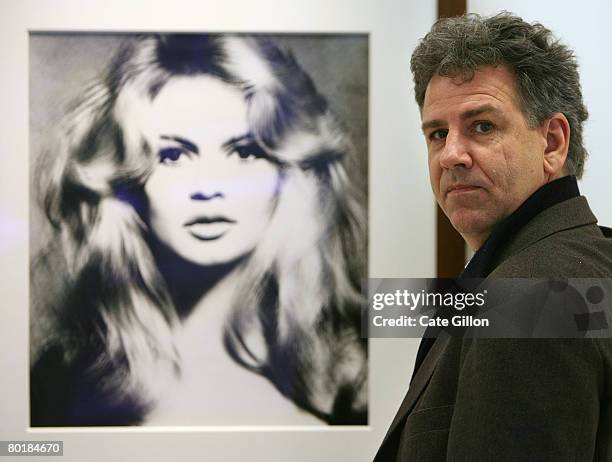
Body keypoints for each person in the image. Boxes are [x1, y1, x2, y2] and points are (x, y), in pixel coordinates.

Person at [30, 34, 367, 426]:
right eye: (173, 155)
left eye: (245, 152)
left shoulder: (355, 377)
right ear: (126, 181)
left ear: (287, 173)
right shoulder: (57, 385)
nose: (209, 186)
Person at [375, 12, 612, 460]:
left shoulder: (530, 295)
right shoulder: (586, 261)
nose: (451, 155)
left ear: (553, 143)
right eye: (437, 133)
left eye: (482, 126)